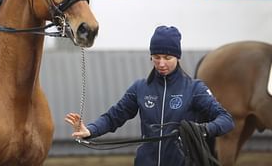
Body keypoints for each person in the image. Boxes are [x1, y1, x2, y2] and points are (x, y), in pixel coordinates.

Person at [65, 25, 234, 166]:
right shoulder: (140, 88)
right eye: (156, 57)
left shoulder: (195, 89)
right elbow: (113, 118)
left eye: (167, 57)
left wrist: (203, 130)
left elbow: (226, 120)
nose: (161, 63)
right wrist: (91, 130)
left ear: (177, 57)